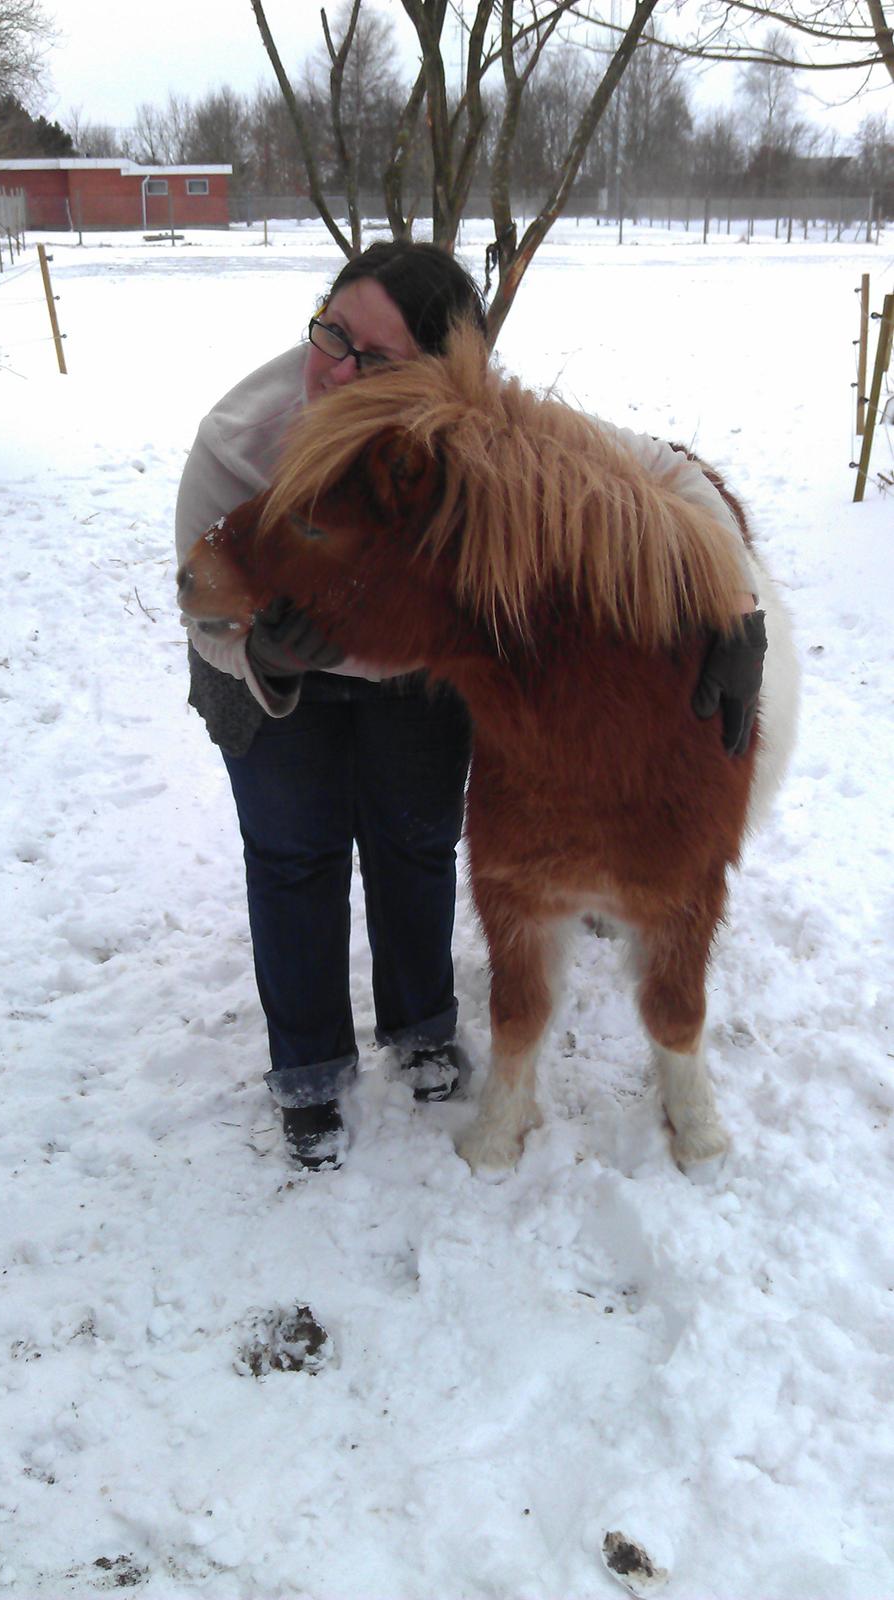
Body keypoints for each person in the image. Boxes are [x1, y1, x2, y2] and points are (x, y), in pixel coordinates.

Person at [176, 238, 766, 1173]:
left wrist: (739, 610)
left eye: (377, 358)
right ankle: (309, 1070)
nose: (337, 368)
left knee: (414, 836)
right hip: (272, 662)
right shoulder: (240, 436)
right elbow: (205, 596)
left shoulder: (456, 434)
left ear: (450, 377)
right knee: (293, 851)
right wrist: (259, 653)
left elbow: (669, 478)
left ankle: (420, 1029)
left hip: (411, 656)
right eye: (331, 331)